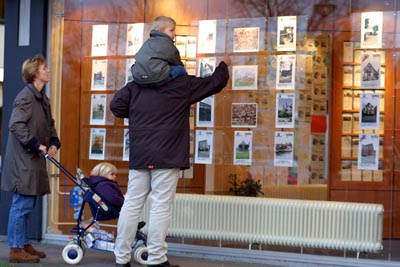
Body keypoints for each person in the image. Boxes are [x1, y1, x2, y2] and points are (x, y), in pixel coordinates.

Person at [110, 34, 231, 266]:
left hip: (141, 155)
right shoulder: (180, 85)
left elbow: (116, 106)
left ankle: (121, 258)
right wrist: (224, 65)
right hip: (167, 155)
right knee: (160, 207)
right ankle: (156, 259)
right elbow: (214, 83)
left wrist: (139, 115)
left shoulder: (135, 87)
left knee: (131, 205)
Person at [1, 54, 61, 263]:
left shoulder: (42, 98)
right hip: (23, 159)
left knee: (28, 203)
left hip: (33, 158)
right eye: (45, 68)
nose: (48, 71)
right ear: (36, 73)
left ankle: (24, 243)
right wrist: (37, 144)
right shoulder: (25, 97)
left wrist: (53, 142)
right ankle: (16, 249)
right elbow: (15, 125)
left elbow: (49, 123)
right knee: (21, 205)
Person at [130, 16, 187, 87]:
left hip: (140, 79)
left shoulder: (147, 43)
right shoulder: (167, 43)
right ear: (161, 31)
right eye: (171, 30)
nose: (174, 33)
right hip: (156, 78)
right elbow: (176, 61)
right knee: (180, 69)